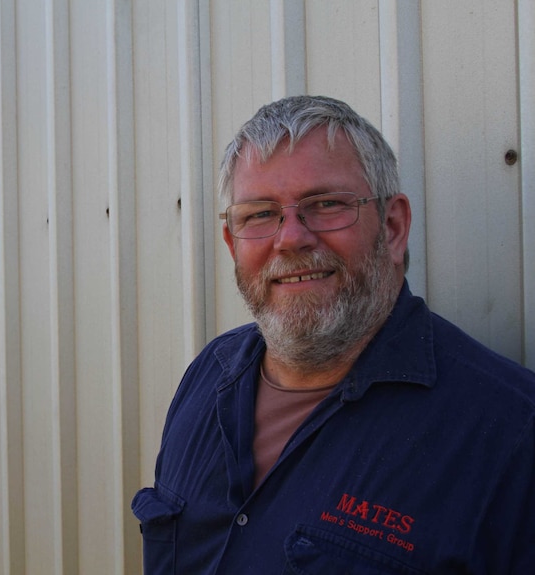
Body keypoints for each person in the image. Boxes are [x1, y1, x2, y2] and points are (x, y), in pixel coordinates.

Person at [132, 95, 535, 574]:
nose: (291, 238)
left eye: (325, 204)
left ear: (392, 227)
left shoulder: (511, 434)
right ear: (232, 242)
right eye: (259, 214)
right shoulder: (208, 375)